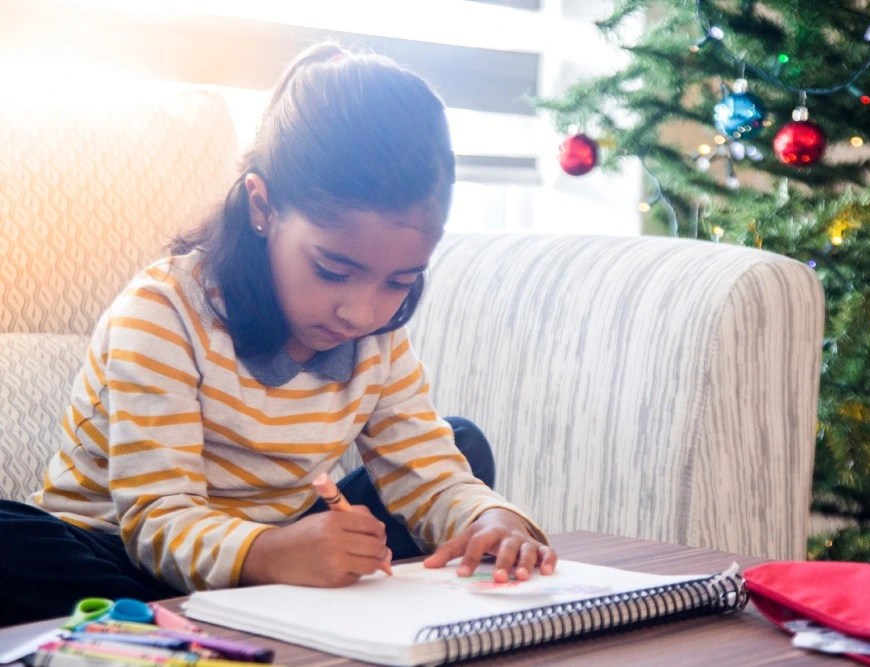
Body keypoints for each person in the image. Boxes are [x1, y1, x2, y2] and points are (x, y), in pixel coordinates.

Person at [0, 42, 556, 627]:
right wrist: (270, 554)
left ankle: (248, 605)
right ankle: (197, 613)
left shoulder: (376, 336)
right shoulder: (162, 312)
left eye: (400, 281)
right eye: (334, 271)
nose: (360, 312)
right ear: (261, 206)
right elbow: (156, 521)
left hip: (280, 542)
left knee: (462, 448)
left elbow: (430, 468)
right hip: (123, 550)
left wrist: (492, 524)